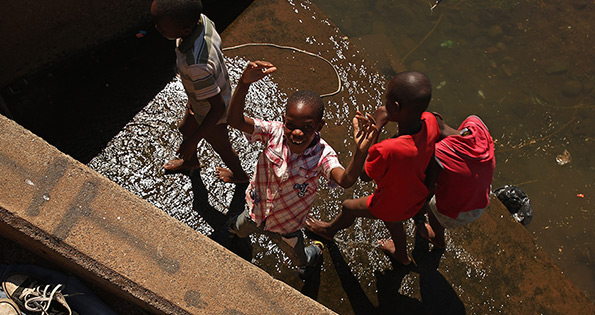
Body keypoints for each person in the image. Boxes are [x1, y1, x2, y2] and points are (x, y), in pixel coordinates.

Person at [226, 60, 378, 278]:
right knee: (239, 227)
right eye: (291, 125)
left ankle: (314, 253)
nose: (297, 133)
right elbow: (234, 120)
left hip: (287, 226)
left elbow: (345, 179)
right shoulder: (272, 132)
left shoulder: (323, 155)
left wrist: (360, 152)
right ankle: (233, 231)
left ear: (319, 126)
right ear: (283, 120)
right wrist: (243, 84)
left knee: (300, 257)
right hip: (255, 211)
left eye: (307, 127)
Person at [306, 71, 441, 267]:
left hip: (390, 202)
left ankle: (328, 230)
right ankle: (401, 255)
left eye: (387, 100)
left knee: (348, 208)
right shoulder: (431, 121)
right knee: (394, 222)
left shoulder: (388, 149)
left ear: (395, 107)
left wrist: (375, 129)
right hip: (417, 195)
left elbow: (365, 176)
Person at [150, 0, 248, 183]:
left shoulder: (195, 64)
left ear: (185, 31)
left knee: (222, 147)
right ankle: (191, 162)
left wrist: (192, 141)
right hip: (205, 95)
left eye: (162, 27)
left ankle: (239, 175)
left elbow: (217, 108)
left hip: (213, 111)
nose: (157, 28)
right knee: (185, 128)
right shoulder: (202, 21)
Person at [414, 114, 495, 249]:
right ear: (440, 118)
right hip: (483, 197)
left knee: (432, 209)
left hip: (462, 211)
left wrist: (419, 216)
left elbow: (427, 191)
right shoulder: (475, 124)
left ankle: (438, 239)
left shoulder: (438, 155)